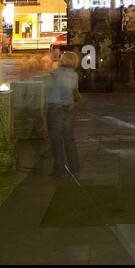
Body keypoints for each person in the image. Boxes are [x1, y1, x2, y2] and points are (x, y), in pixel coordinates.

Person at [45, 50, 82, 178]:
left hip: (55, 108)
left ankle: (59, 168)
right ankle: (74, 166)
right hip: (69, 108)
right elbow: (73, 91)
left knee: (56, 140)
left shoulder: (56, 73)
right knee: (69, 138)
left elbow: (50, 85)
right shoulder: (74, 75)